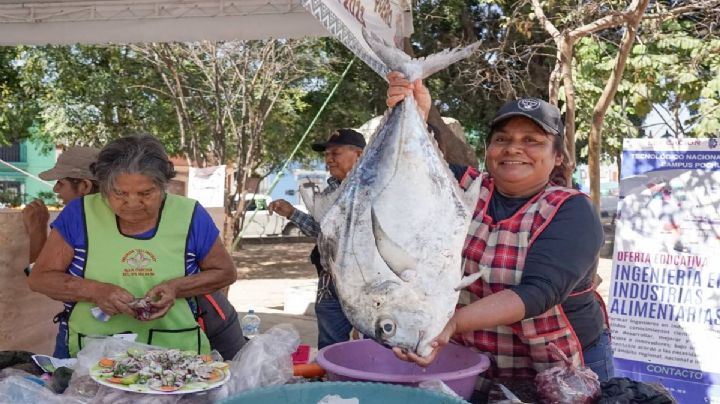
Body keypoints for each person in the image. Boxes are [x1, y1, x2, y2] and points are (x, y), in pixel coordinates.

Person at [386, 72, 613, 389]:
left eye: (532, 141)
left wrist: (451, 324)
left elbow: (538, 293)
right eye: (502, 139)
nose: (513, 149)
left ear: (558, 156)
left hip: (559, 366)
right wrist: (415, 113)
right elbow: (412, 164)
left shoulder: (572, 210)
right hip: (474, 360)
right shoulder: (462, 188)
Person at [28, 134, 237, 358]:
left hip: (175, 354)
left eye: (146, 193)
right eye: (120, 193)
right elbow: (40, 278)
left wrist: (176, 288)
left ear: (164, 186)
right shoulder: (78, 214)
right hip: (92, 354)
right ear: (105, 187)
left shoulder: (190, 214)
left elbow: (225, 273)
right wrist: (96, 291)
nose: (133, 203)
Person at [268, 129, 365, 349]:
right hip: (329, 282)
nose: (328, 159)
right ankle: (331, 381)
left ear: (359, 155)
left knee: (372, 345)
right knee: (330, 346)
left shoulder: (376, 189)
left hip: (367, 281)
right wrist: (292, 213)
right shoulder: (331, 189)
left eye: (336, 153)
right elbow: (323, 231)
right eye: (326, 154)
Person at [23, 147, 100, 274]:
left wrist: (37, 231)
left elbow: (42, 280)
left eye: (61, 183)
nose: (55, 189)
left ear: (85, 186)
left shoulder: (78, 220)